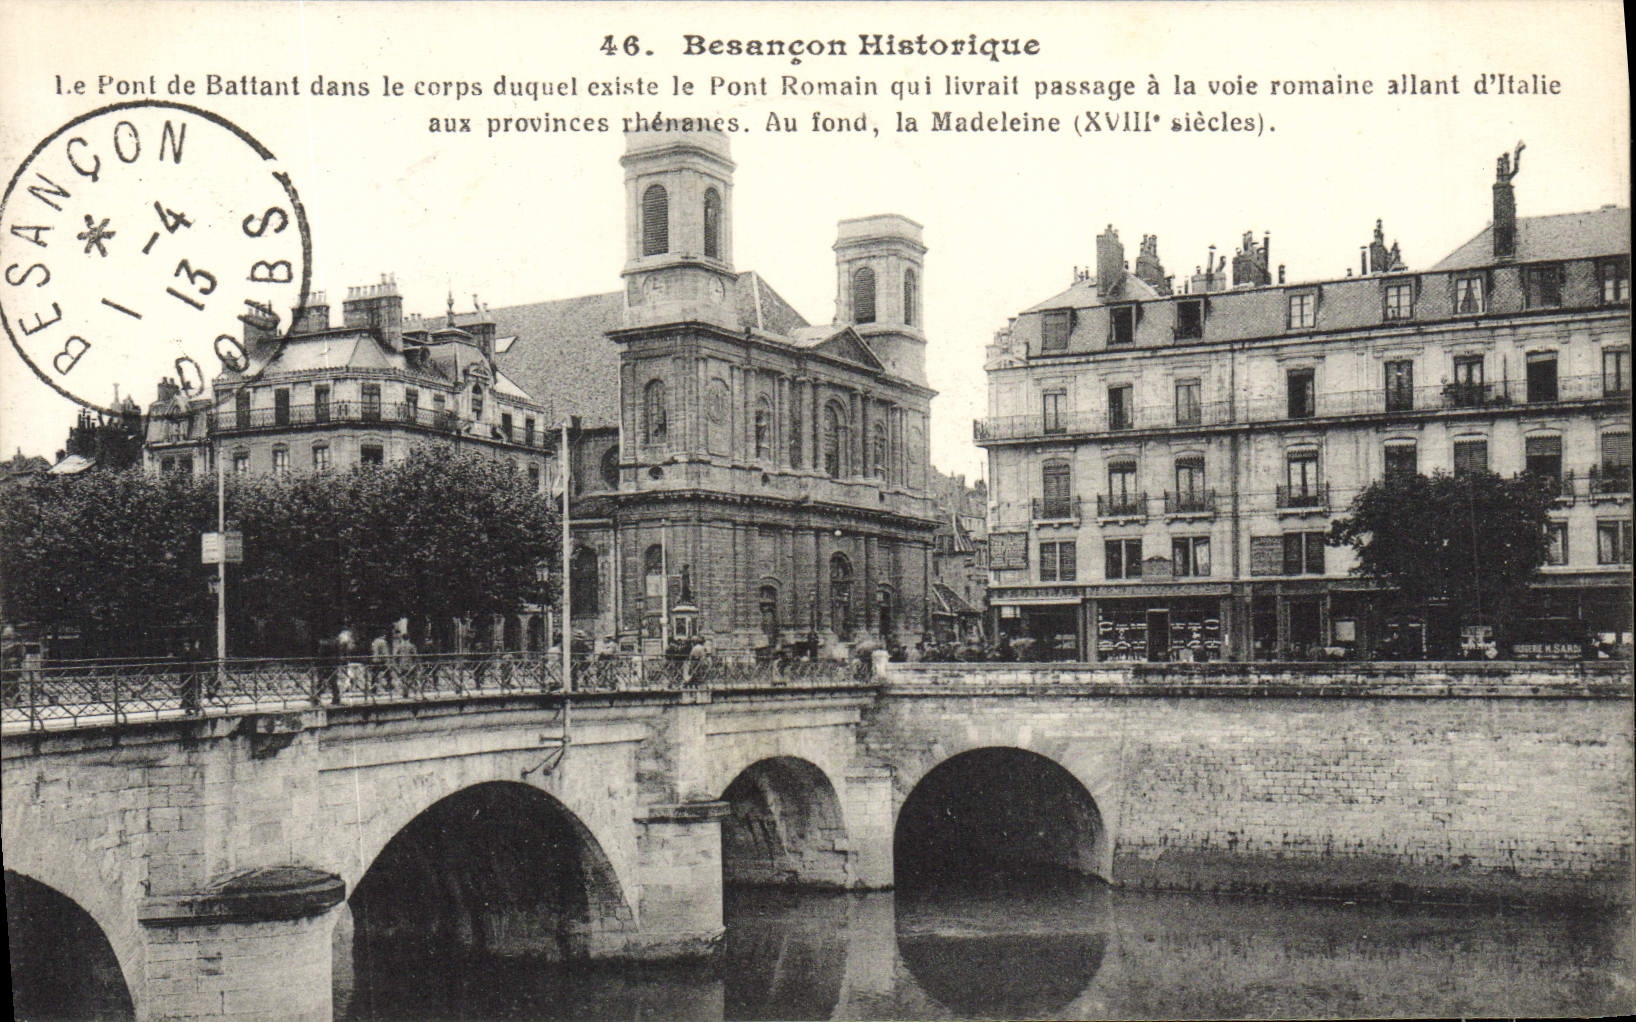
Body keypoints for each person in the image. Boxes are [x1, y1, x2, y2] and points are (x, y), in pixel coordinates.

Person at [391, 631, 417, 696]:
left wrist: (396, 664)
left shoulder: (399, 646)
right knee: (410, 678)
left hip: (401, 665)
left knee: (403, 678)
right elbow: (415, 656)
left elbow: (395, 656)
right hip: (410, 665)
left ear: (402, 638)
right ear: (409, 638)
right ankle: (410, 691)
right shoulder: (411, 646)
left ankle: (405, 693)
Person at [369, 630, 391, 697]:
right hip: (381, 661)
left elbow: (372, 650)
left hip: (374, 660)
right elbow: (385, 653)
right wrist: (388, 661)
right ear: (383, 635)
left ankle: (373, 689)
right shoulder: (383, 642)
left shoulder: (374, 641)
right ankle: (388, 688)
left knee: (374, 675)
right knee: (388, 674)